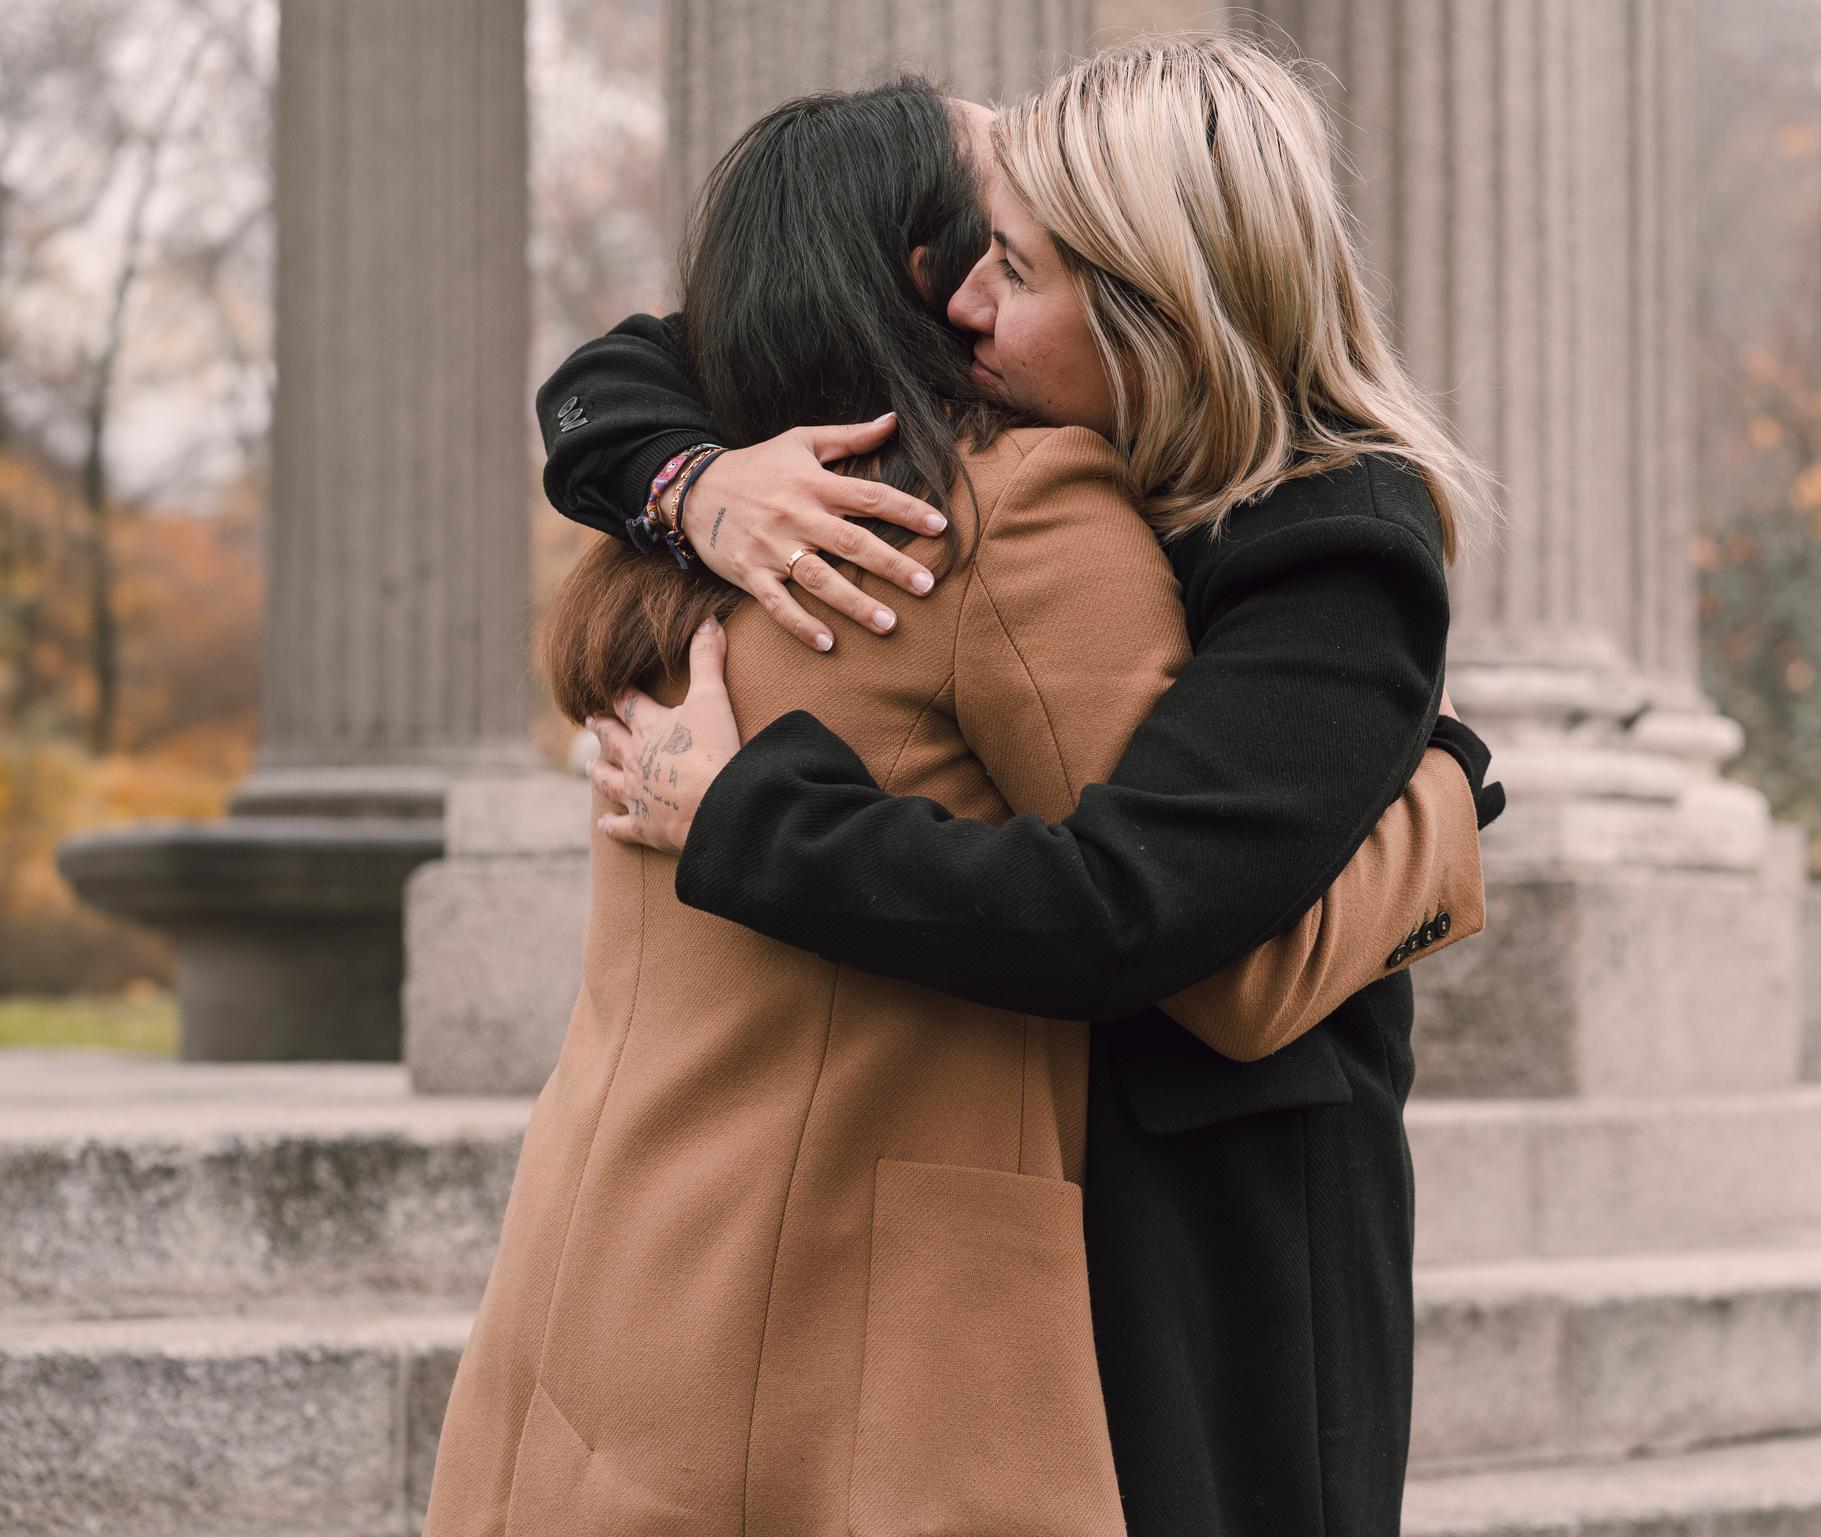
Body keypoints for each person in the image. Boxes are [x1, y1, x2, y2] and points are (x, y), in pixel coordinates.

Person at [423, 71, 1488, 1537]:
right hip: (975, 1204)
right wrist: (693, 476)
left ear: (1158, 306)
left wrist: (1448, 806)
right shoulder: (879, 500)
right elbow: (626, 362)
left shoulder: (1325, 536)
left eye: (1018, 268)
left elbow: (1199, 953)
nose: (973, 304)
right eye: (970, 256)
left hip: (1229, 1207)